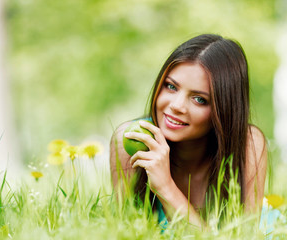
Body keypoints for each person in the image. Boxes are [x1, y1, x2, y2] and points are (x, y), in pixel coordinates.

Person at [109, 34, 268, 228]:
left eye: (200, 99)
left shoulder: (248, 144)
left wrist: (166, 188)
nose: (177, 106)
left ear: (224, 110)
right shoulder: (132, 141)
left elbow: (246, 235)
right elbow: (122, 232)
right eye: (171, 86)